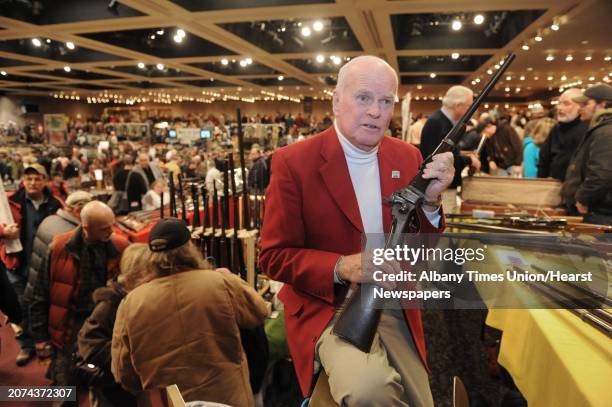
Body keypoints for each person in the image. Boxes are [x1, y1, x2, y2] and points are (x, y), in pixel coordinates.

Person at [259, 56, 454, 406]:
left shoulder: (407, 156)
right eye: (364, 98)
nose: (377, 112)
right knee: (370, 392)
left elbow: (419, 250)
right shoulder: (293, 162)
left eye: (386, 101)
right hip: (327, 307)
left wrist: (431, 204)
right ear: (336, 101)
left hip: (392, 303)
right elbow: (274, 256)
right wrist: (341, 266)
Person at [111, 218, 268, 406]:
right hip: (226, 398)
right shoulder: (220, 282)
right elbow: (259, 312)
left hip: (167, 401)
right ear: (189, 248)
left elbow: (123, 372)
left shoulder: (131, 303)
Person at [30, 201, 129, 402]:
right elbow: (40, 294)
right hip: (69, 326)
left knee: (106, 389)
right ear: (86, 227)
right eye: (104, 228)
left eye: (112, 225)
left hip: (104, 328)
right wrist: (40, 336)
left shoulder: (120, 247)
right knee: (66, 390)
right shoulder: (59, 248)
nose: (111, 231)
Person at [0, 163, 62, 366]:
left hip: (45, 268)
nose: (33, 183)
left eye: (37, 178)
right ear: (23, 181)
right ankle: (26, 345)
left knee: (43, 306)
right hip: (17, 264)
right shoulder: (9, 203)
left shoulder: (56, 204)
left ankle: (43, 343)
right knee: (19, 309)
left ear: (45, 181)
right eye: (29, 179)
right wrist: (3, 232)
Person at [77, 243, 152, 407]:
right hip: (114, 391)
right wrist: (125, 352)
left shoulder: (139, 298)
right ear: (137, 274)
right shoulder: (111, 303)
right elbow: (88, 343)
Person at [23, 191, 93, 321]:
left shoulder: (49, 219)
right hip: (52, 301)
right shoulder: (71, 235)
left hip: (34, 291)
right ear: (79, 211)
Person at [562, 83, 612, 225]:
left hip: (601, 213)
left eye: (585, 104)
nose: (580, 108)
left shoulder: (606, 131)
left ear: (601, 104)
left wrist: (582, 198)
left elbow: (602, 173)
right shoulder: (603, 128)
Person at [420, 85, 480, 189]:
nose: (470, 110)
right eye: (469, 106)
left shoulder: (443, 121)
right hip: (439, 188)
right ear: (457, 105)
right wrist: (469, 160)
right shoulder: (437, 123)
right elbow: (438, 160)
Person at [537, 88, 588, 180]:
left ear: (580, 106)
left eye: (566, 104)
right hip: (552, 187)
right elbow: (544, 159)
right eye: (559, 103)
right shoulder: (556, 129)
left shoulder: (588, 130)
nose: (559, 108)